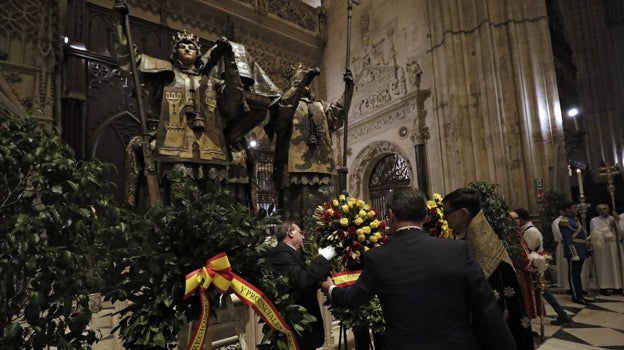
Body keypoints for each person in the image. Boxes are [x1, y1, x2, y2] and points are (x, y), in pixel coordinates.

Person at [112, 0, 280, 205]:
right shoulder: (165, 74)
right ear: (174, 53)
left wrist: (229, 58)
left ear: (198, 52)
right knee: (180, 206)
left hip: (212, 156)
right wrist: (119, 23)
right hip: (176, 153)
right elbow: (129, 59)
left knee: (214, 211)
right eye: (182, 46)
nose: (187, 48)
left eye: (191, 45)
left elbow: (234, 98)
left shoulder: (212, 83)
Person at [321, 186, 516, 350]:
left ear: (390, 215)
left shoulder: (377, 257)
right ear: (425, 215)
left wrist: (330, 288)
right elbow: (486, 308)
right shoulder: (457, 250)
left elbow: (354, 298)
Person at [442, 188, 534, 350]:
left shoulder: (482, 247)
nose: (445, 218)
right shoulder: (469, 235)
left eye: (447, 213)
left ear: (463, 213)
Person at [266, 63, 354, 222]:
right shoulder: (285, 104)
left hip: (322, 171)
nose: (306, 84)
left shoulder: (320, 106)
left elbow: (338, 114)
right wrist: (299, 84)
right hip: (293, 172)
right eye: (300, 80)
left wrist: (348, 90)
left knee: (323, 216)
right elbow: (281, 117)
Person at [268, 221, 336, 350]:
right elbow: (302, 280)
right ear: (290, 232)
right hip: (296, 324)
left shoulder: (292, 253)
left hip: (306, 324)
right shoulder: (280, 254)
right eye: (300, 233)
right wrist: (322, 258)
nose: (304, 237)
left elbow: (306, 277)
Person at [511, 209, 573, 326]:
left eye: (516, 219)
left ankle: (562, 314)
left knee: (542, 290)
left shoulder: (531, 231)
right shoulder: (524, 230)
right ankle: (562, 314)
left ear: (522, 219)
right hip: (532, 264)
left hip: (534, 264)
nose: (515, 222)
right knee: (543, 290)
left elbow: (527, 251)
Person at [559, 200, 591, 305]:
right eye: (574, 208)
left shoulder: (575, 220)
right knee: (574, 275)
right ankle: (576, 296)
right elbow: (568, 239)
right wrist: (573, 253)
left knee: (578, 274)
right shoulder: (565, 221)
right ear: (568, 209)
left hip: (580, 249)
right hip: (575, 251)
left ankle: (579, 293)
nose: (577, 209)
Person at [590, 203, 623, 295]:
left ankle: (618, 285)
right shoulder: (594, 220)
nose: (602, 211)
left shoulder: (613, 219)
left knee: (615, 265)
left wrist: (617, 222)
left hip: (614, 244)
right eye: (600, 209)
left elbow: (620, 232)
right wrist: (609, 226)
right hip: (602, 246)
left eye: (604, 208)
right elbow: (596, 233)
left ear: (608, 210)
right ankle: (604, 286)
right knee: (604, 266)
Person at [551, 210, 570, 290]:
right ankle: (568, 286)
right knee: (566, 267)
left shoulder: (573, 219)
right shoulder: (557, 222)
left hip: (574, 244)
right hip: (564, 245)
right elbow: (561, 236)